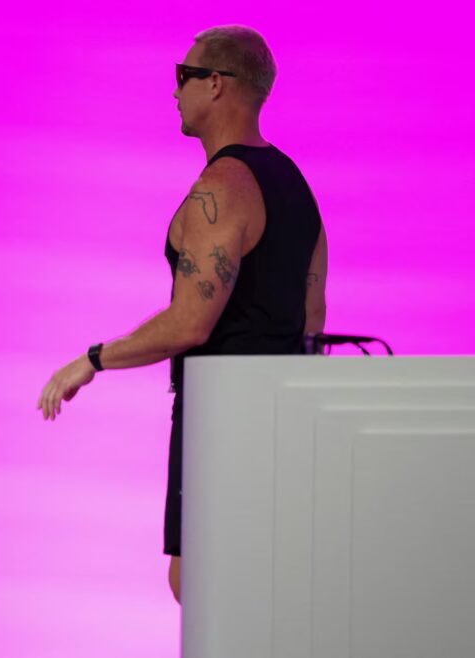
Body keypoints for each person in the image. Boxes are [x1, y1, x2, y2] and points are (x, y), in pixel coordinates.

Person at [37, 25, 328, 603]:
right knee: (230, 577)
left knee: (207, 582)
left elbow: (190, 322)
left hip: (226, 410)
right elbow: (312, 317)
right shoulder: (297, 184)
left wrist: (92, 359)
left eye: (183, 76)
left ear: (216, 83)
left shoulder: (223, 186)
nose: (174, 92)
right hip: (282, 409)